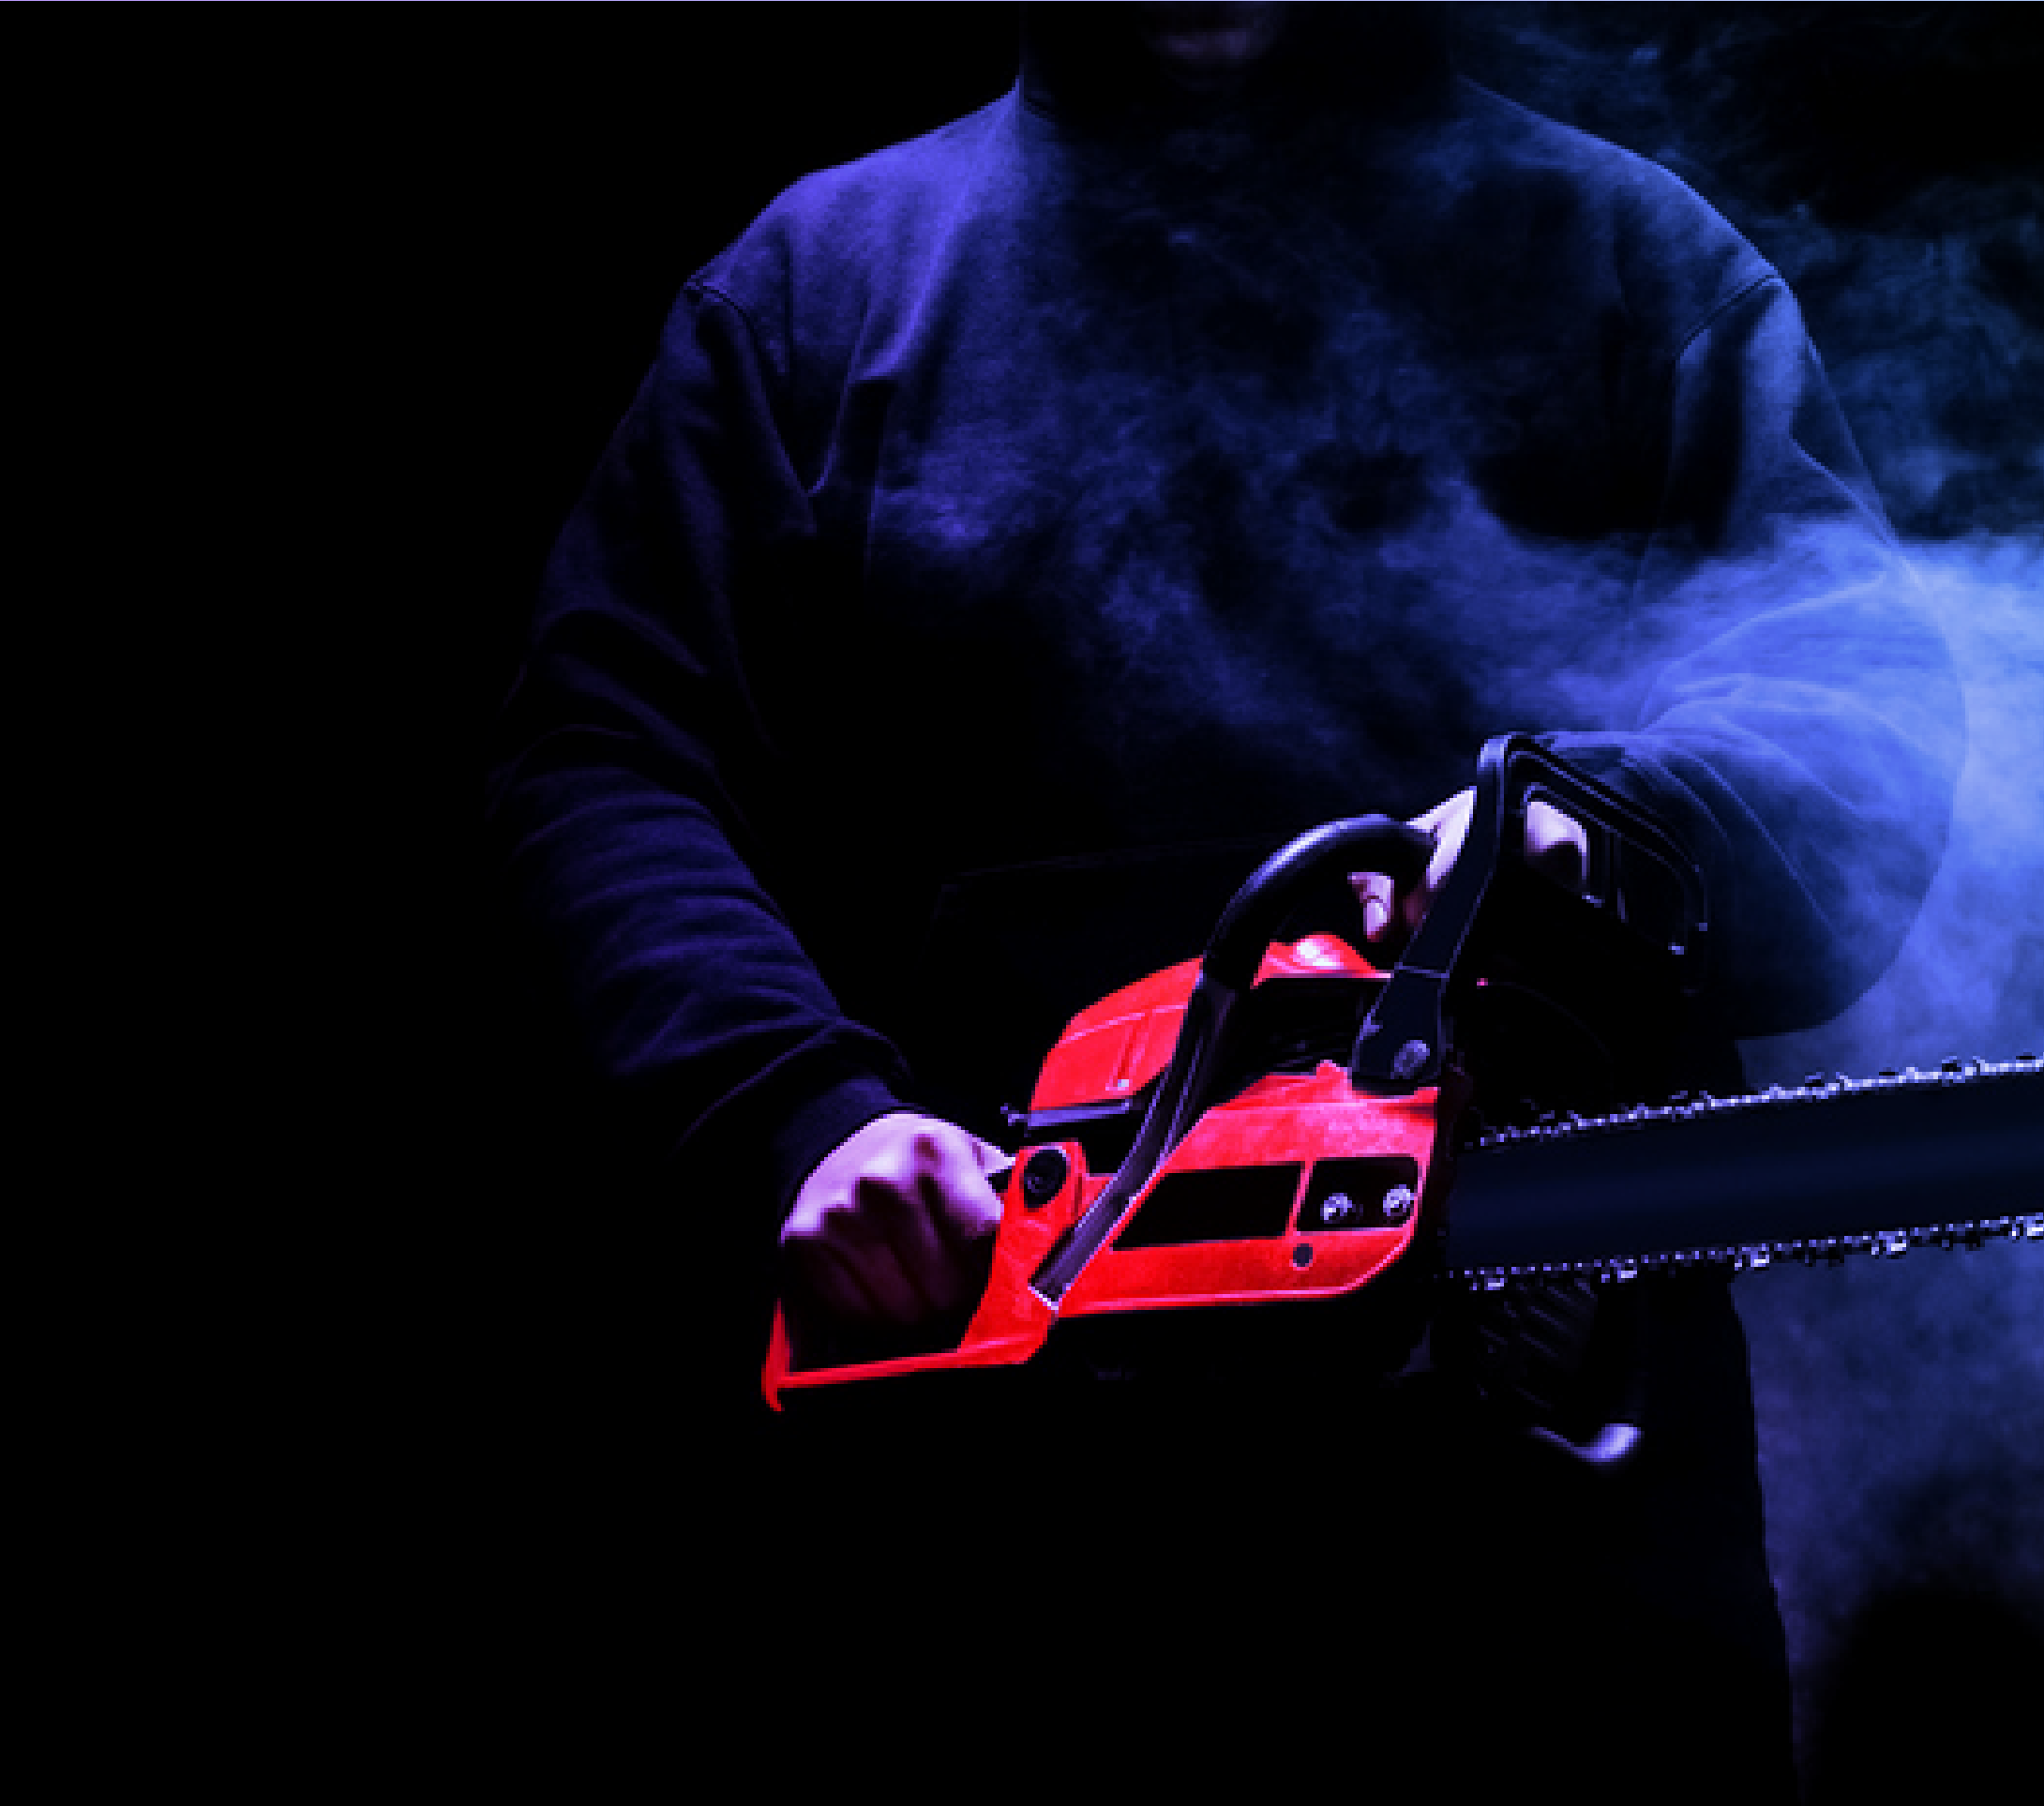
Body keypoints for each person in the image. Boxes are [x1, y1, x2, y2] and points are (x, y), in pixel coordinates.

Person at [487, 6, 1961, 1798]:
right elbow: (606, 758)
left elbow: (1852, 729)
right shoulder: (820, 292)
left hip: (1537, 1520)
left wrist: (1588, 819)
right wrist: (797, 1120)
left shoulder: (1630, 262)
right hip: (985, 1495)